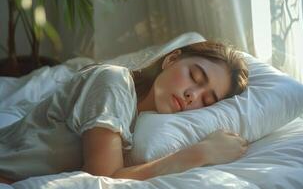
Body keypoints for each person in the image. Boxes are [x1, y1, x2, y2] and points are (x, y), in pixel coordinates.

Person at [0, 40, 249, 184]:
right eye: (194, 76)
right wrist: (198, 153)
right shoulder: (114, 81)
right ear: (171, 59)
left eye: (206, 99)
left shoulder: (139, 126)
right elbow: (104, 179)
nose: (192, 94)